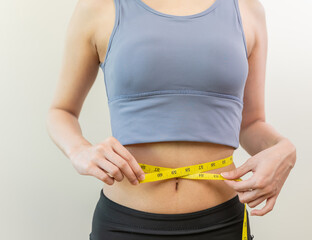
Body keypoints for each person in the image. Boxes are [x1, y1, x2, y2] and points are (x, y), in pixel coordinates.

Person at [46, 0, 297, 239]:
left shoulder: (246, 9)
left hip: (222, 223)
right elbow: (61, 111)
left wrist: (283, 148)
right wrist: (78, 150)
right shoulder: (99, 7)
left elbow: (251, 123)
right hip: (124, 225)